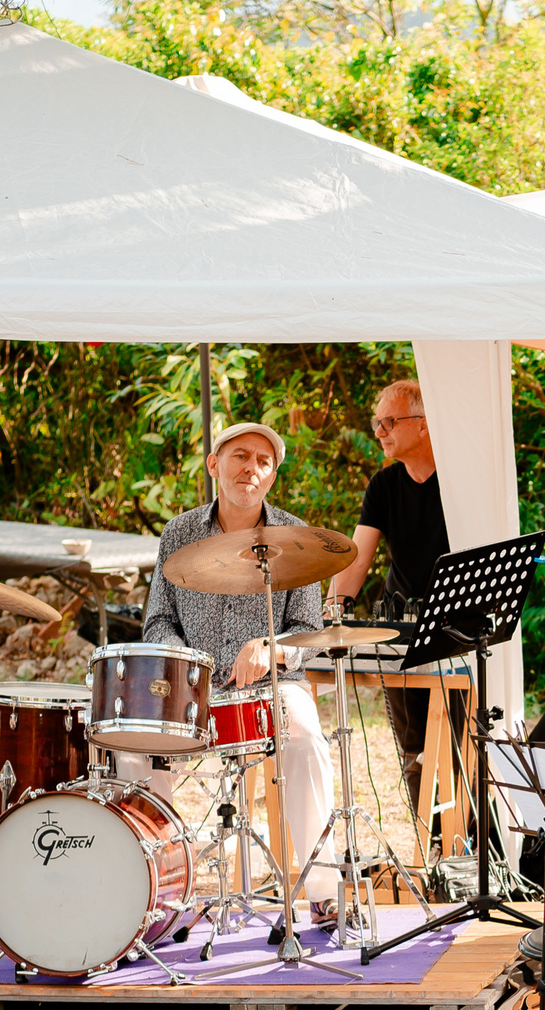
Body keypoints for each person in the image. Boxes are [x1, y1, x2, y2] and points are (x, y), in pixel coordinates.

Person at [144, 422, 337, 910]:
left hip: (274, 688)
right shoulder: (179, 532)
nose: (251, 467)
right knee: (135, 752)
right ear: (214, 464)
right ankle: (157, 891)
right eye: (240, 456)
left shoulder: (296, 537)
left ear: (272, 477)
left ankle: (324, 892)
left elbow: (308, 631)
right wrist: (187, 665)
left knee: (308, 738)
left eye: (263, 461)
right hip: (192, 690)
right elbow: (158, 620)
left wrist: (269, 647)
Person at [327, 378, 467, 820]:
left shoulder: (462, 478)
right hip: (400, 631)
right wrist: (334, 610)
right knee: (413, 749)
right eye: (377, 423)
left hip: (458, 632)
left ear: (423, 425)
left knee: (463, 747)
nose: (379, 431)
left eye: (389, 421)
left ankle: (472, 846)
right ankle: (433, 851)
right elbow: (356, 558)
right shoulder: (383, 485)